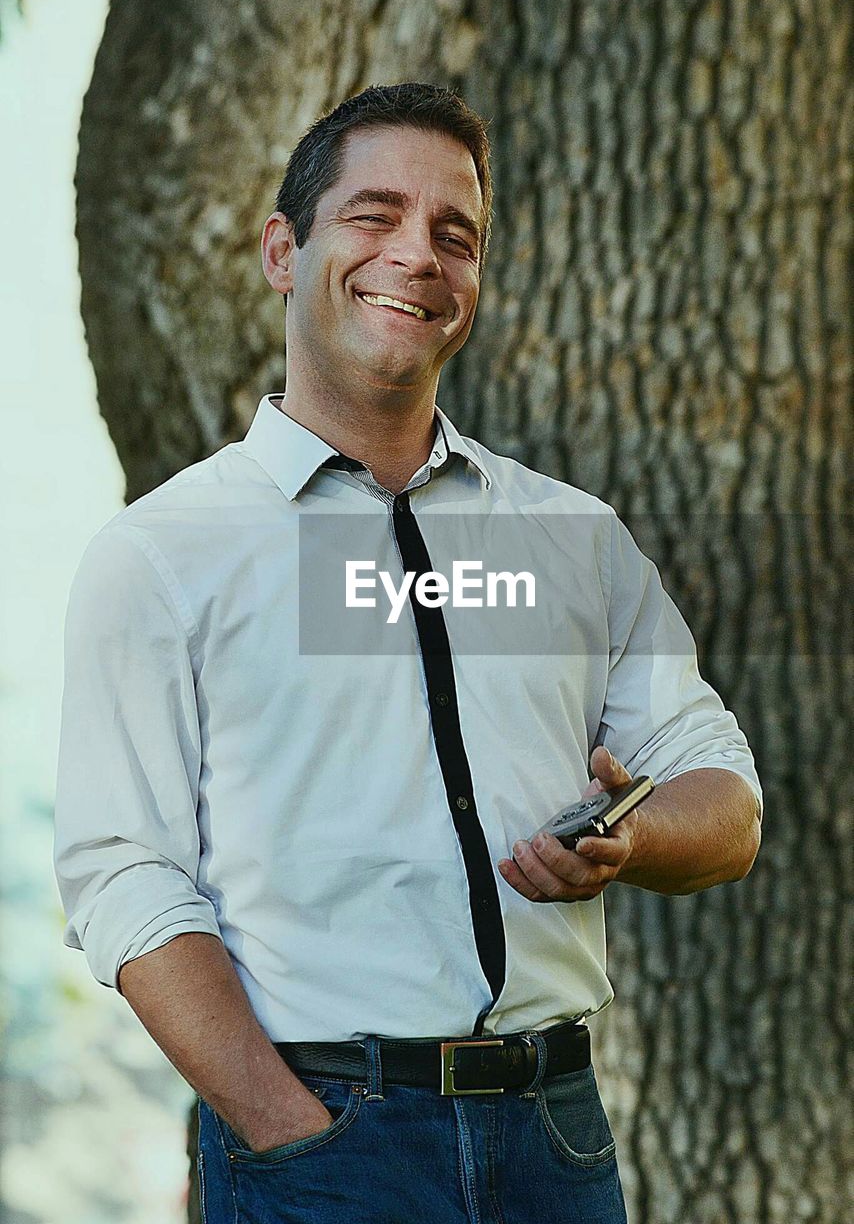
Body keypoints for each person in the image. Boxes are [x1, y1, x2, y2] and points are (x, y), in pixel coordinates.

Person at [53, 82, 762, 1224]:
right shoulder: (164, 553)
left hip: (555, 1138)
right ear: (285, 249)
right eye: (373, 215)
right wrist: (288, 1129)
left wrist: (627, 837)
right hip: (318, 1138)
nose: (417, 256)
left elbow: (724, 797)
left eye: (454, 234)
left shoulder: (563, 538)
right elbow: (123, 873)